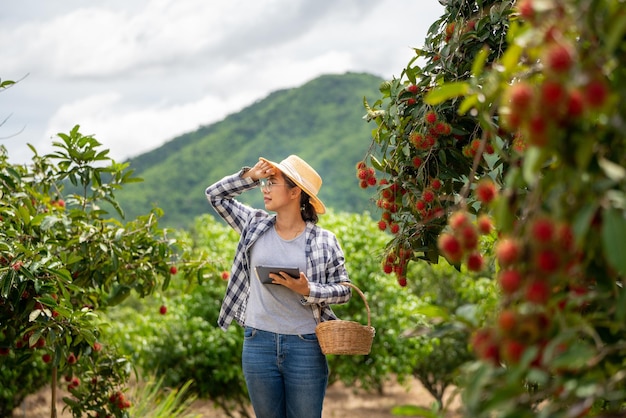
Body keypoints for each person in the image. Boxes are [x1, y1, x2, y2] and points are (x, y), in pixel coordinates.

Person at [205, 154, 352, 418]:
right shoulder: (254, 225)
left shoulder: (324, 241)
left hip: (305, 345)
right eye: (265, 183)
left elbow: (345, 290)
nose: (266, 189)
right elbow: (215, 196)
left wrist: (309, 290)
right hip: (258, 342)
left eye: (272, 183)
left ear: (295, 192)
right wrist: (251, 177)